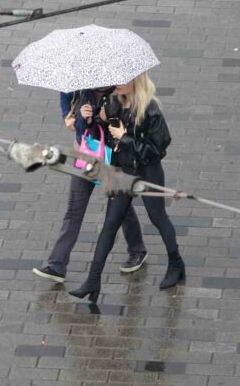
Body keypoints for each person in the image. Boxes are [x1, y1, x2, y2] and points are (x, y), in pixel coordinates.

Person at [69, 72, 184, 302]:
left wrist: (125, 137)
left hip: (147, 171)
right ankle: (93, 279)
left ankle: (176, 264)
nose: (117, 84)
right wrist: (91, 120)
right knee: (110, 223)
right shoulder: (112, 102)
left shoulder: (150, 109)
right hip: (122, 171)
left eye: (122, 80)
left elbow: (158, 149)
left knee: (157, 217)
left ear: (135, 81)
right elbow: (103, 135)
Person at [32, 87, 148, 284]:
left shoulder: (119, 89)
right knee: (74, 209)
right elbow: (71, 119)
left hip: (111, 157)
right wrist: (78, 118)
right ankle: (56, 265)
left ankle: (137, 249)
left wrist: (106, 117)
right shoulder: (75, 87)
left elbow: (127, 127)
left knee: (120, 207)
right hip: (86, 154)